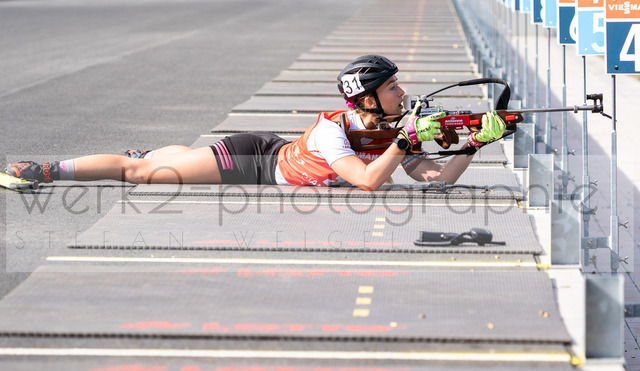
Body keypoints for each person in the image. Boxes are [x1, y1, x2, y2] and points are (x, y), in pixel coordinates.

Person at [6, 55, 505, 192]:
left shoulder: (393, 129)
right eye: (392, 87)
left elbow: (437, 179)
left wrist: (474, 145)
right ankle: (45, 170)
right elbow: (369, 181)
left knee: (173, 160)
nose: (403, 92)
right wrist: (403, 143)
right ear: (368, 98)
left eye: (398, 84)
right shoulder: (333, 129)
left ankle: (160, 152)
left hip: (279, 153)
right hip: (256, 160)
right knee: (140, 174)